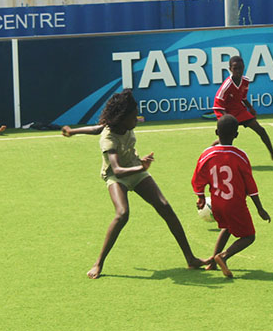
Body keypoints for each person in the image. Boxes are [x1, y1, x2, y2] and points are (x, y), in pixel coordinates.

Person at [61, 89, 209, 279]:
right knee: (122, 214)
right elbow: (117, 169)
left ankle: (190, 258)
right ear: (122, 118)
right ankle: (98, 263)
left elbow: (97, 127)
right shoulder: (108, 139)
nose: (137, 117)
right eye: (133, 115)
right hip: (116, 176)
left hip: (135, 167)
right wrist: (142, 168)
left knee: (164, 206)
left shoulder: (123, 125)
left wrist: (73, 131)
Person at [192, 114, 271, 278]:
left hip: (216, 203)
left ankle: (213, 262)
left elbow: (198, 177)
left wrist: (200, 196)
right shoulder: (240, 155)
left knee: (227, 227)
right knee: (249, 236)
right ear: (236, 134)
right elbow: (251, 186)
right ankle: (223, 256)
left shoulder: (207, 154)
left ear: (216, 132)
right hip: (235, 203)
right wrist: (260, 209)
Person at [212, 55, 273, 165]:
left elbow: (242, 97)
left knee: (261, 130)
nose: (238, 71)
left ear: (244, 67)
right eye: (235, 68)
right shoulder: (227, 85)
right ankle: (210, 153)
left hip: (239, 110)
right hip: (225, 112)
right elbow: (217, 104)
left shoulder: (245, 81)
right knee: (227, 138)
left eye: (240, 68)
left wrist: (250, 108)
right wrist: (226, 119)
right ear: (230, 69)